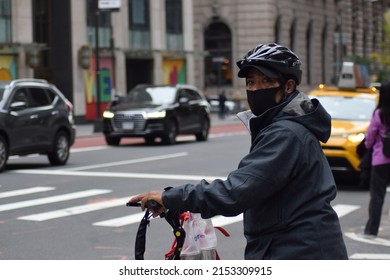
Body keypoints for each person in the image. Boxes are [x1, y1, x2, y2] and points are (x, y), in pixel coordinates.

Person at [129, 43, 348, 260]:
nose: (255, 89)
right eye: (251, 82)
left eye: (266, 81)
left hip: (299, 252)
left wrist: (171, 197)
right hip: (293, 245)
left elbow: (236, 192)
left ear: (288, 86)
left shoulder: (285, 133)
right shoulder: (282, 126)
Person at [363, 83, 390, 238]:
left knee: (377, 197)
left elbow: (370, 136)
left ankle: (372, 229)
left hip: (380, 160)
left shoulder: (380, 114)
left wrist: (368, 147)